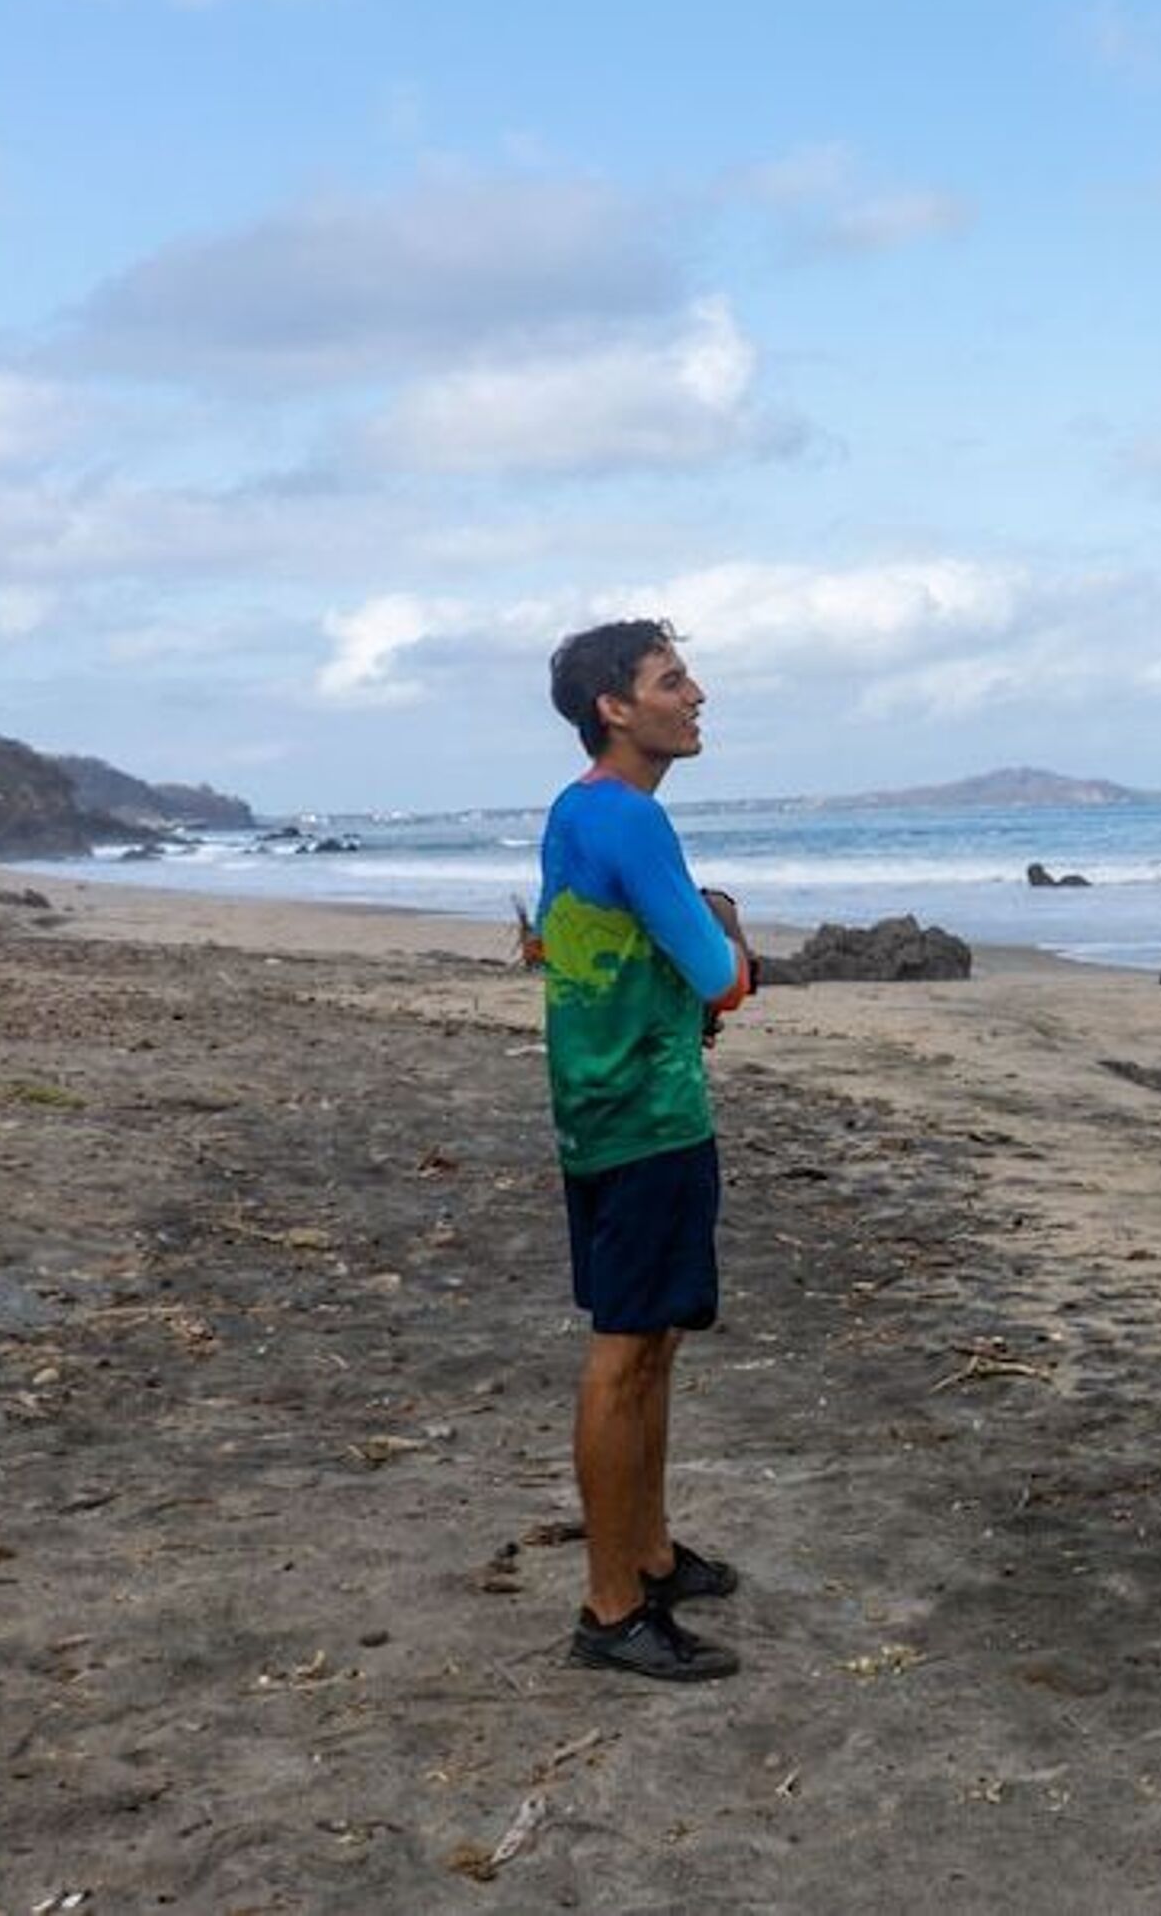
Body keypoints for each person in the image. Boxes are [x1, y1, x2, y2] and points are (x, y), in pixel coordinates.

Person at [536, 619, 757, 1681]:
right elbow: (718, 972)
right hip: (647, 1123)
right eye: (673, 681)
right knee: (626, 1352)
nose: (696, 694)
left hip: (602, 1112)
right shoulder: (626, 821)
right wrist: (733, 932)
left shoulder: (579, 813)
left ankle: (652, 1556)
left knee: (652, 1341)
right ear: (615, 708)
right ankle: (612, 1607)